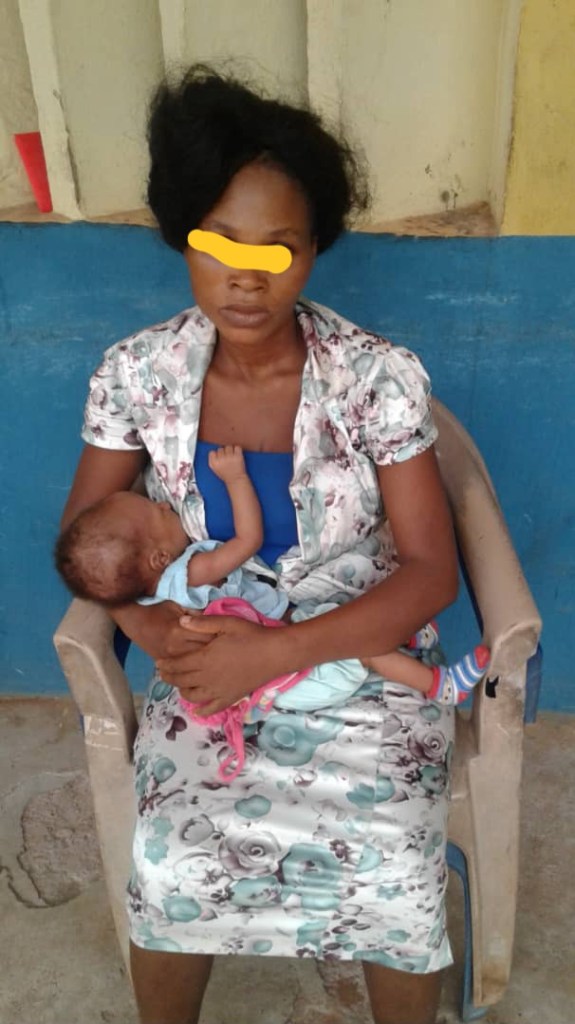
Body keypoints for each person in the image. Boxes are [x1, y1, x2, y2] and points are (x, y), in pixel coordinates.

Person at [58, 64, 480, 1024]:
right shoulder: (137, 375)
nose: (245, 277)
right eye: (218, 244)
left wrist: (278, 651)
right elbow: (88, 543)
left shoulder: (375, 378)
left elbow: (429, 575)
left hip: (363, 668)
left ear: (314, 249)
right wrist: (168, 642)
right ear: (183, 237)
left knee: (393, 871)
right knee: (170, 861)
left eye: (279, 248)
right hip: (208, 670)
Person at [55, 447, 489, 781]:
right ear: (158, 559)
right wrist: (236, 479)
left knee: (342, 620)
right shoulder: (190, 573)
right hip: (281, 670)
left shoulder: (155, 599)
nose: (165, 505)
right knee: (362, 647)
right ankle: (440, 685)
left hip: (267, 654)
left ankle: (408, 640)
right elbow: (248, 540)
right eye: (156, 510)